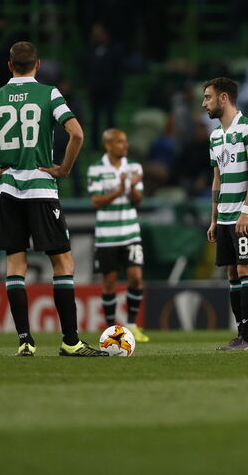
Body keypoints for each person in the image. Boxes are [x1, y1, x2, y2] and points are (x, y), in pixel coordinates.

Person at [0, 41, 107, 357]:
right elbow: (77, 133)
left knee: (15, 263)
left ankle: (25, 340)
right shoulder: (48, 94)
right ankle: (70, 341)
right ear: (37, 65)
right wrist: (63, 169)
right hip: (41, 188)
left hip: (8, 189)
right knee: (63, 263)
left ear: (9, 66)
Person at [203, 77, 248, 352]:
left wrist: (246, 212)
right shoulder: (215, 136)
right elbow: (216, 179)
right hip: (226, 215)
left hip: (246, 214)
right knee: (231, 272)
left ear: (224, 98)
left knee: (246, 269)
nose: (204, 103)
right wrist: (214, 218)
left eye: (207, 97)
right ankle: (240, 335)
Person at [87, 128, 150, 343]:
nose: (125, 145)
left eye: (125, 141)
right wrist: (119, 189)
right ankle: (112, 329)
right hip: (106, 235)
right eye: (120, 142)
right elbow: (95, 201)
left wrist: (131, 188)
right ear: (108, 145)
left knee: (136, 277)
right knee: (110, 282)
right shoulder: (96, 169)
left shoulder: (134, 167)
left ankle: (132, 325)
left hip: (130, 232)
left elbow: (138, 200)